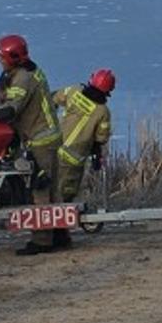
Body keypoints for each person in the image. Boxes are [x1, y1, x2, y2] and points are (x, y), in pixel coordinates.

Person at [0, 34, 63, 255]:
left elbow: (9, 111)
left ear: (12, 58)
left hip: (40, 139)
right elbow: (2, 95)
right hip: (46, 136)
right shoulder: (23, 71)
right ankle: (60, 236)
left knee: (40, 190)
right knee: (53, 191)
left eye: (1, 57)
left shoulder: (23, 79)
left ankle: (42, 240)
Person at [51, 68, 115, 248]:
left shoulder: (74, 92)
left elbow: (53, 98)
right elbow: (101, 137)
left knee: (51, 192)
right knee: (65, 197)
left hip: (54, 150)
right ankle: (60, 236)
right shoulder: (103, 111)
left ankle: (54, 234)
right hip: (74, 160)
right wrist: (96, 153)